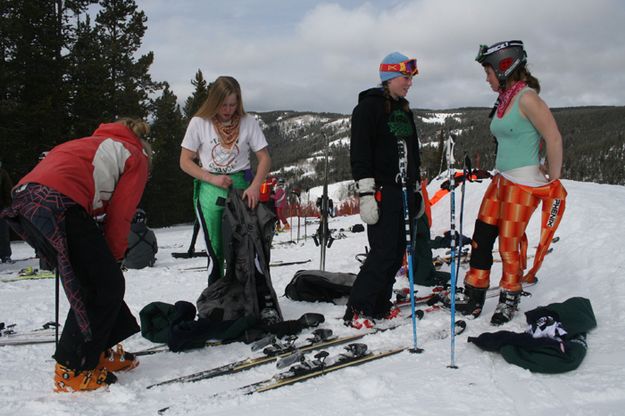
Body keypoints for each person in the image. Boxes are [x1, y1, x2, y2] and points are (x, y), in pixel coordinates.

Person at [0, 118, 152, 391]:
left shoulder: (90, 142)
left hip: (26, 201)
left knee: (92, 281)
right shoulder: (136, 155)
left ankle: (96, 350)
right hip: (58, 203)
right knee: (105, 284)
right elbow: (120, 215)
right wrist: (114, 258)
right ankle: (72, 368)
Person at [456, 40, 567, 325]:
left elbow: (553, 137)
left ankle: (509, 296)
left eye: (489, 72)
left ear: (506, 67)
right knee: (482, 237)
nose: (487, 79)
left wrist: (553, 179)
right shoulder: (506, 97)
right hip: (502, 179)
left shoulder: (527, 98)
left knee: (508, 243)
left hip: (523, 183)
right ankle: (475, 290)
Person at [343, 52, 422, 329]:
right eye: (405, 77)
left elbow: (413, 152)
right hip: (382, 191)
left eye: (410, 78)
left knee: (398, 249)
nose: (409, 83)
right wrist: (365, 193)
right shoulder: (368, 108)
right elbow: (360, 152)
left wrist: (417, 188)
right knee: (383, 251)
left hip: (404, 192)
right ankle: (358, 307)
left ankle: (379, 303)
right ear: (389, 78)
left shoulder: (403, 110)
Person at [180, 76, 271, 284]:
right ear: (214, 101)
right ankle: (217, 295)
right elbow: (185, 161)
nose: (228, 109)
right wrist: (211, 178)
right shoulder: (199, 123)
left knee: (244, 245)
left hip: (241, 188)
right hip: (210, 188)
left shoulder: (248, 122)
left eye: (233, 104)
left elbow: (264, 157)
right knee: (215, 246)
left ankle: (245, 296)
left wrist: (256, 185)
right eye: (223, 105)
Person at [0, 160, 13, 263]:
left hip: (1, 206)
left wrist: (8, 206)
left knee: (3, 232)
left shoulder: (2, 173)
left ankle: (5, 255)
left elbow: (7, 190)